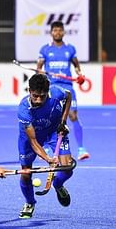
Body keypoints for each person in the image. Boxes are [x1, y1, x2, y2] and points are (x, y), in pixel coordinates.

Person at [17, 73, 74, 219]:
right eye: (35, 96)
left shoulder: (56, 92)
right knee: (25, 173)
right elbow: (34, 142)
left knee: (67, 168)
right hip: (31, 138)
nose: (38, 100)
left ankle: (58, 184)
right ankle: (29, 202)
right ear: (29, 91)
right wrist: (48, 159)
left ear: (48, 92)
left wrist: (63, 121)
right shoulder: (24, 110)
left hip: (55, 131)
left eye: (42, 96)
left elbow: (68, 97)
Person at [36, 20, 90, 161]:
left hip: (67, 87)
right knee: (49, 117)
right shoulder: (45, 49)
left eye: (60, 30)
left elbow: (77, 67)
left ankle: (81, 149)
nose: (57, 33)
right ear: (51, 32)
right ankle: (47, 147)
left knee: (72, 116)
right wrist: (42, 73)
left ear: (63, 32)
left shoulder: (70, 49)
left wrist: (79, 75)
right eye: (55, 30)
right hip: (52, 87)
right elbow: (39, 68)